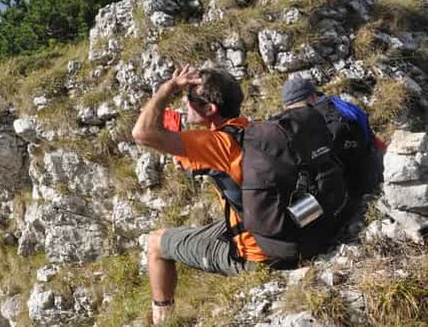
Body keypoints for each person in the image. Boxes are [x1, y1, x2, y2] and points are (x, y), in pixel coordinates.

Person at [132, 66, 267, 325]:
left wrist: (167, 88)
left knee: (155, 243)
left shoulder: (215, 144)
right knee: (208, 229)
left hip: (254, 256)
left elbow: (142, 133)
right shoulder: (248, 129)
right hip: (269, 228)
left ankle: (164, 318)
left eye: (190, 97)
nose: (184, 100)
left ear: (210, 110)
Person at [281, 77, 386, 201]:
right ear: (314, 95)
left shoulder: (297, 125)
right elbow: (368, 133)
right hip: (374, 174)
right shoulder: (342, 105)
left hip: (341, 196)